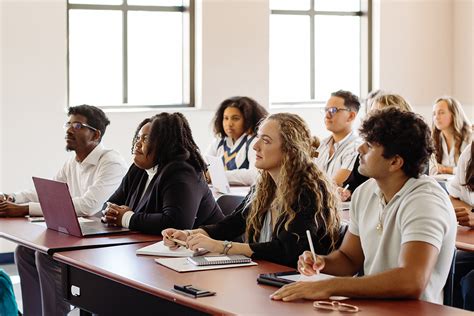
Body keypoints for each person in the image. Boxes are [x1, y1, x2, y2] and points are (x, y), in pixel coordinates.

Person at [271, 108, 456, 304]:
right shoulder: (365, 191)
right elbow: (349, 259)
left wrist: (329, 286)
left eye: (369, 145)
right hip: (370, 305)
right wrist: (323, 263)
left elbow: (411, 281)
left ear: (395, 162)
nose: (360, 149)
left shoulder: (425, 201)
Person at [163, 113, 341, 268]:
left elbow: (286, 251)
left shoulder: (309, 191)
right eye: (258, 138)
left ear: (290, 151)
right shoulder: (264, 187)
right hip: (265, 275)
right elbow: (231, 225)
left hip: (295, 282)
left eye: (266, 140)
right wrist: (188, 234)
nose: (255, 146)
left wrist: (220, 246)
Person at [0, 105, 127, 316]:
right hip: (77, 235)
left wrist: (23, 209)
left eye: (77, 125)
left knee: (46, 256)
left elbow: (88, 206)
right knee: (24, 251)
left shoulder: (111, 162)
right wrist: (13, 198)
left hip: (102, 239)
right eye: (68, 124)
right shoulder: (72, 163)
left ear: (95, 134)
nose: (69, 130)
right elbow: (48, 193)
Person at [103, 112, 225, 234]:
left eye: (146, 139)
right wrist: (110, 212)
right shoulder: (137, 169)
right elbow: (111, 204)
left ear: (166, 143)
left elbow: (177, 223)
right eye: (138, 137)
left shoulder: (181, 172)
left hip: (210, 248)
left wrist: (126, 218)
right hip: (156, 246)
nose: (138, 144)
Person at [338, 93, 413, 201]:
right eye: (372, 114)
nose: (372, 120)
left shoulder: (413, 151)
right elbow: (353, 183)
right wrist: (347, 192)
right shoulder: (366, 148)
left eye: (379, 114)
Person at [206, 96, 268, 186]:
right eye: (226, 118)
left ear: (248, 120)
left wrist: (217, 175)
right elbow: (203, 167)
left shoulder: (254, 142)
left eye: (235, 118)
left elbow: (254, 175)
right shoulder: (218, 142)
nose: (229, 124)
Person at [447, 141, 474, 311]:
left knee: (471, 283)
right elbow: (453, 195)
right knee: (447, 266)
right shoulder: (470, 152)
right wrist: (471, 212)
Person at [315, 90, 362, 187]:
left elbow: (335, 185)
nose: (327, 115)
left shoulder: (357, 148)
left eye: (333, 110)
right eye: (326, 110)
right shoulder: (322, 145)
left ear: (351, 116)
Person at [431, 96, 472, 175]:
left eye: (441, 112)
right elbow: (432, 169)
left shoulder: (469, 138)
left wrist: (446, 169)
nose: (436, 117)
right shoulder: (435, 139)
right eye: (434, 114)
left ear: (454, 115)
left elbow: (468, 171)